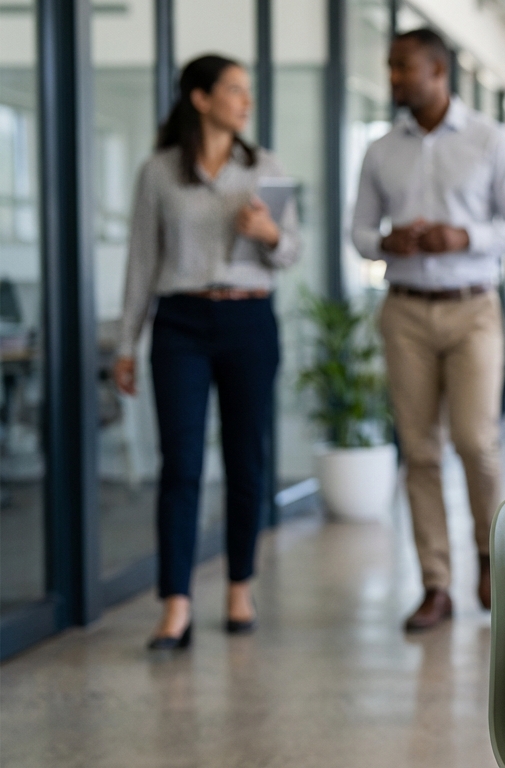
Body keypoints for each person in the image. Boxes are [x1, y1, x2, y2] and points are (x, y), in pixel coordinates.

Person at [351, 28, 505, 630]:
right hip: (404, 308)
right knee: (420, 451)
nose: (393, 78)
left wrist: (465, 237)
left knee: (475, 442)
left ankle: (487, 557)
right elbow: (357, 232)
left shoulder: (489, 139)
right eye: (391, 68)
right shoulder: (380, 150)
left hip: (472, 307)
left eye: (402, 67)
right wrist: (384, 241)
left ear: (438, 71)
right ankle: (436, 584)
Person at [114, 55, 299, 649]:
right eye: (235, 90)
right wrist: (126, 342)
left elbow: (291, 249)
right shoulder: (159, 172)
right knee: (182, 466)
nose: (246, 101)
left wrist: (269, 234)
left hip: (248, 317)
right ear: (200, 98)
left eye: (249, 91)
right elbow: (142, 261)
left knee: (246, 460)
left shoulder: (263, 166)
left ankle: (239, 587)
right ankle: (176, 604)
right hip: (181, 322)